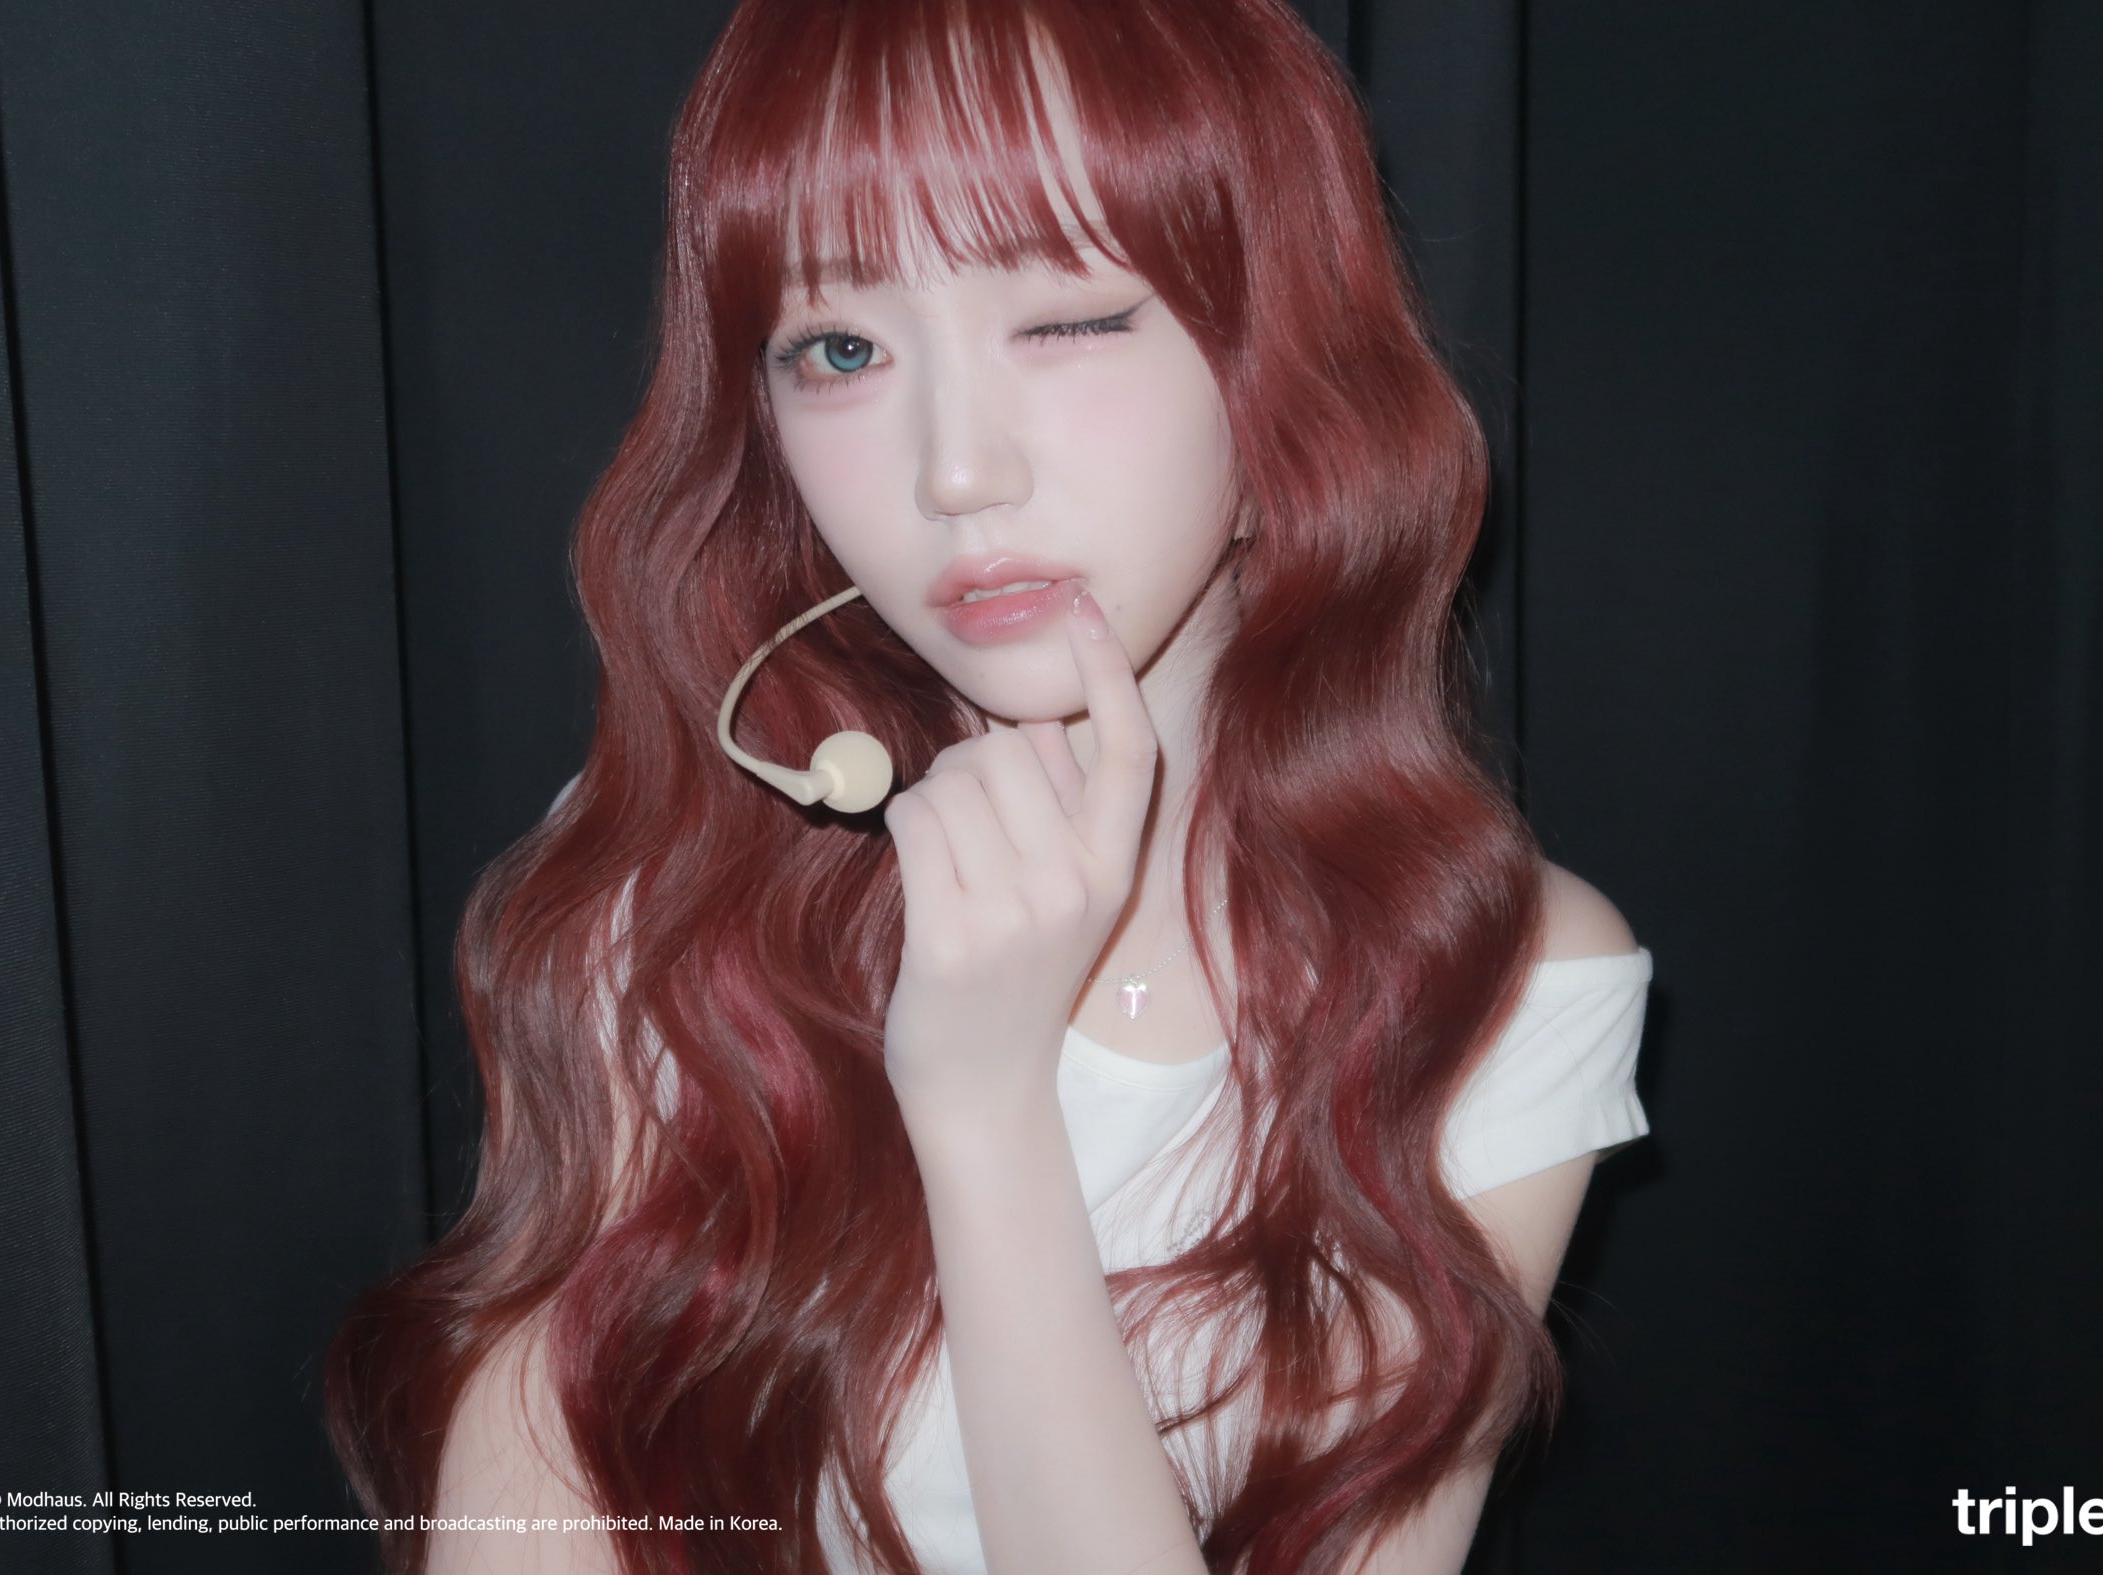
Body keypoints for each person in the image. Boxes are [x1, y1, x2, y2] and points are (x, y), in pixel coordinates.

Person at [324, 2, 1654, 1572]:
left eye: (1069, 321)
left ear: (1280, 355)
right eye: (840, 349)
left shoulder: (1495, 981)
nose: (956, 470)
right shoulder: (675, 874)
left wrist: (982, 1107)